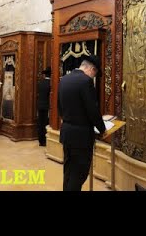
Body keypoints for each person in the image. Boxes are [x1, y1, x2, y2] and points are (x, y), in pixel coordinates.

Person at [58, 55, 105, 191]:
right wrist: (102, 129)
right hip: (81, 137)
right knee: (79, 173)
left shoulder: (64, 79)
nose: (93, 77)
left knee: (68, 171)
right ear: (91, 69)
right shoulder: (86, 81)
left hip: (67, 132)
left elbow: (59, 106)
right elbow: (92, 110)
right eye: (95, 73)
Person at [37, 66, 51, 146]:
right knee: (46, 123)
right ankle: (45, 140)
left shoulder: (41, 82)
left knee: (40, 123)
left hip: (40, 105)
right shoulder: (51, 84)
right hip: (47, 107)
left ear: (45, 75)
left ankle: (40, 140)